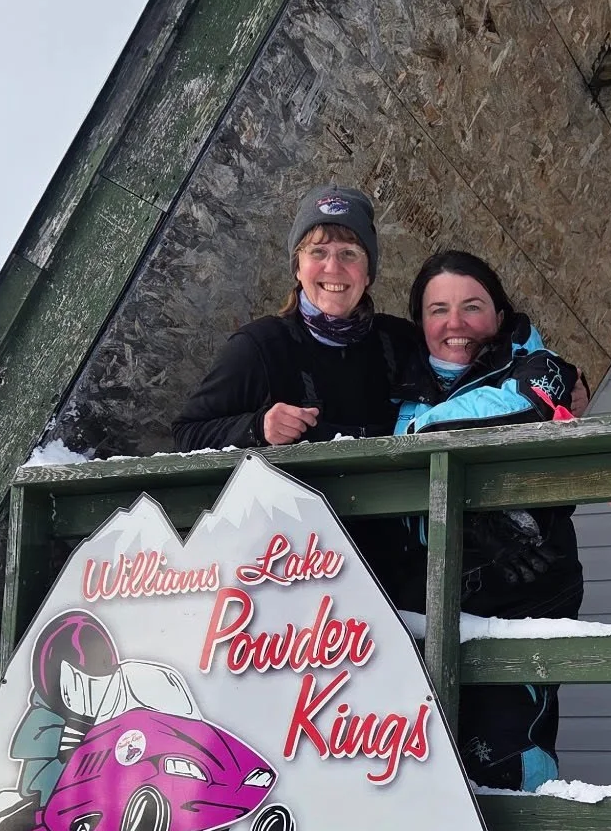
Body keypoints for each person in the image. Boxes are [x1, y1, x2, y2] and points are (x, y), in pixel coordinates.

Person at [395, 250, 588, 831]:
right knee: (422, 769)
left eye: (471, 305)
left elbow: (535, 399)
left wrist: (415, 438)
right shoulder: (401, 386)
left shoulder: (534, 365)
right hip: (426, 606)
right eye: (437, 309)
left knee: (510, 759)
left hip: (520, 597)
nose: (455, 324)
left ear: (499, 313)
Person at [172, 185, 424, 588]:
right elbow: (187, 434)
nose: (333, 268)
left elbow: (465, 379)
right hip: (295, 577)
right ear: (297, 266)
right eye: (317, 252)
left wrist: (556, 387)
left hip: (401, 569)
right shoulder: (261, 346)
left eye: (349, 254)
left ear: (369, 270)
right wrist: (258, 428)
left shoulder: (401, 342)